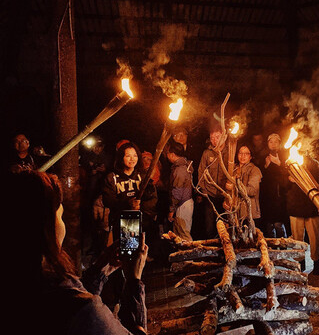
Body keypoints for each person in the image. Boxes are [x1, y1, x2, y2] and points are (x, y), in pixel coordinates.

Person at [9, 170, 148, 334]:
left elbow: (74, 296)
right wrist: (134, 281)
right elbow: (77, 306)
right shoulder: (85, 311)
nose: (63, 224)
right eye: (60, 216)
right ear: (45, 226)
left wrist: (101, 268)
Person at [102, 142, 158, 257]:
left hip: (143, 221)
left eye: (135, 155)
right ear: (121, 158)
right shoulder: (112, 177)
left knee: (141, 255)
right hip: (124, 221)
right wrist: (127, 205)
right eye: (128, 156)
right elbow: (108, 201)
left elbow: (152, 198)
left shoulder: (143, 176)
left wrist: (142, 208)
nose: (132, 159)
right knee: (128, 255)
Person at [285, 155, 319, 275]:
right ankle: (300, 263)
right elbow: (282, 183)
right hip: (295, 207)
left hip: (311, 206)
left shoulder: (315, 164)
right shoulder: (289, 163)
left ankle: (316, 264)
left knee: (314, 238)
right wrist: (289, 179)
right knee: (297, 238)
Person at [197, 124, 229, 238]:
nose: (214, 140)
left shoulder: (230, 152)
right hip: (210, 194)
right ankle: (211, 250)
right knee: (209, 225)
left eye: (217, 136)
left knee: (225, 224)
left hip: (224, 195)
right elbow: (201, 171)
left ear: (224, 137)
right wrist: (203, 190)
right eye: (212, 137)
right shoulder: (207, 153)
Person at [260, 133, 289, 238]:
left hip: (280, 196)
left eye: (276, 142)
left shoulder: (284, 158)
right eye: (271, 142)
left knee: (279, 223)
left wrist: (280, 164)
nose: (273, 144)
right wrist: (266, 167)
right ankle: (271, 248)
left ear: (280, 144)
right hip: (267, 197)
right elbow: (261, 178)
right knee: (269, 224)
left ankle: (283, 246)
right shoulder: (263, 157)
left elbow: (288, 177)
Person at [166, 140, 194, 241]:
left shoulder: (180, 170)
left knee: (184, 234)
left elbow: (177, 191)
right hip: (184, 203)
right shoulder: (184, 166)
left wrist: (171, 210)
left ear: (172, 155)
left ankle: (190, 255)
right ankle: (181, 255)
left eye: (167, 153)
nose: (167, 155)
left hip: (183, 205)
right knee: (179, 234)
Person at [230, 145, 263, 228]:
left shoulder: (254, 170)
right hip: (235, 212)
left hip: (249, 213)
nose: (243, 156)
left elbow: (252, 191)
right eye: (240, 153)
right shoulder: (233, 168)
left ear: (251, 156)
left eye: (246, 154)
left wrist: (235, 186)